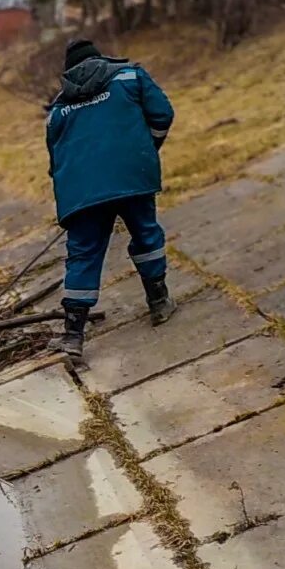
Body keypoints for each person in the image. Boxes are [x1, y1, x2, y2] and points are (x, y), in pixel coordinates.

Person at [45, 38, 177, 359]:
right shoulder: (130, 77)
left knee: (84, 256)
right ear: (100, 58)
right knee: (146, 235)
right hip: (132, 176)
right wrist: (145, 151)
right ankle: (159, 303)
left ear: (69, 71)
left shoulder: (59, 109)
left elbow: (55, 161)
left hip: (82, 193)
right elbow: (163, 115)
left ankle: (73, 336)